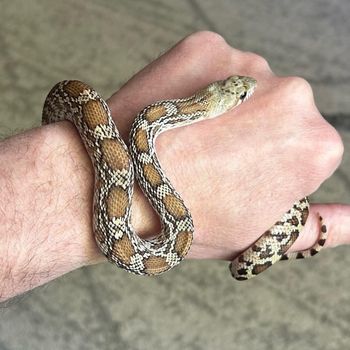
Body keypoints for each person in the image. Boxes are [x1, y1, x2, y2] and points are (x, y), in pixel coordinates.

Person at [0, 31, 347, 302]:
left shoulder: (151, 124)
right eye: (238, 95)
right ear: (213, 97)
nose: (243, 92)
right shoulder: (145, 127)